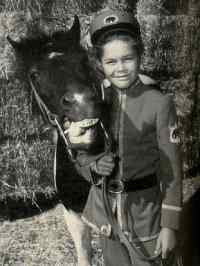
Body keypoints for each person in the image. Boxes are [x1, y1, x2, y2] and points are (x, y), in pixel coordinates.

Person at [67, 8, 183, 266]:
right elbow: (79, 157)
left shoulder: (159, 104)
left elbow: (172, 173)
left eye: (127, 59)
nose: (120, 68)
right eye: (111, 62)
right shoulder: (95, 102)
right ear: (99, 64)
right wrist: (96, 167)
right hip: (106, 218)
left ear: (139, 57)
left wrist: (170, 226)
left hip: (146, 218)